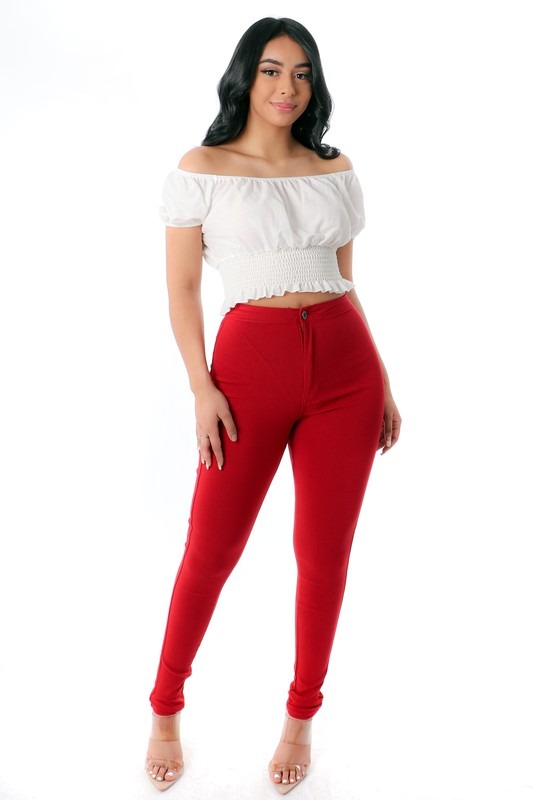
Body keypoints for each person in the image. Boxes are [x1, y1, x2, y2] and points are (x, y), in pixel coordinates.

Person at [145, 16, 402, 795]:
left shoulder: (333, 168)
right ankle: (164, 708)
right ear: (243, 78)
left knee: (323, 556)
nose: (286, 87)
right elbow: (182, 289)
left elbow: (345, 280)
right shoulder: (203, 167)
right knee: (211, 548)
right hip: (248, 369)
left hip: (345, 370)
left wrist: (381, 377)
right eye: (269, 70)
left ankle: (300, 718)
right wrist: (201, 387)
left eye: (300, 73)